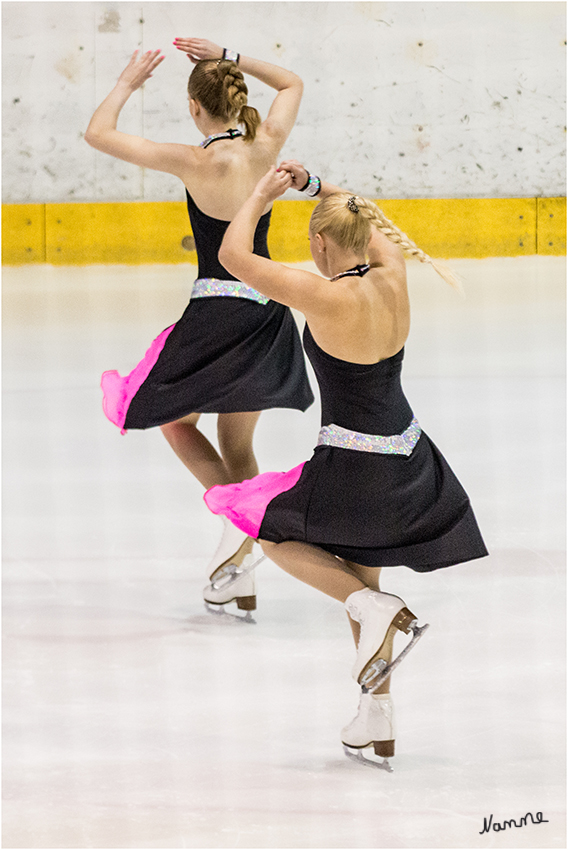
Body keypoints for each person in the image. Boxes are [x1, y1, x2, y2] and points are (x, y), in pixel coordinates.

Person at [204, 161, 488, 768]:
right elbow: (359, 211)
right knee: (363, 579)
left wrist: (262, 191)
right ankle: (375, 718)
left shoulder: (324, 295)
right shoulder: (392, 269)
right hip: (408, 456)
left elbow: (233, 256)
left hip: (353, 464)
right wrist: (313, 186)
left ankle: (372, 610)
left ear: (320, 243)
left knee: (267, 527)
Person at [84, 39, 314, 615]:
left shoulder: (192, 159)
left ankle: (246, 532)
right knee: (238, 444)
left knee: (171, 420)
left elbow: (98, 133)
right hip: (265, 311)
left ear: (194, 108)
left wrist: (128, 84)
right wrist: (234, 53)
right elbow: (292, 83)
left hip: (214, 313)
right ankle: (242, 575)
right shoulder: (268, 146)